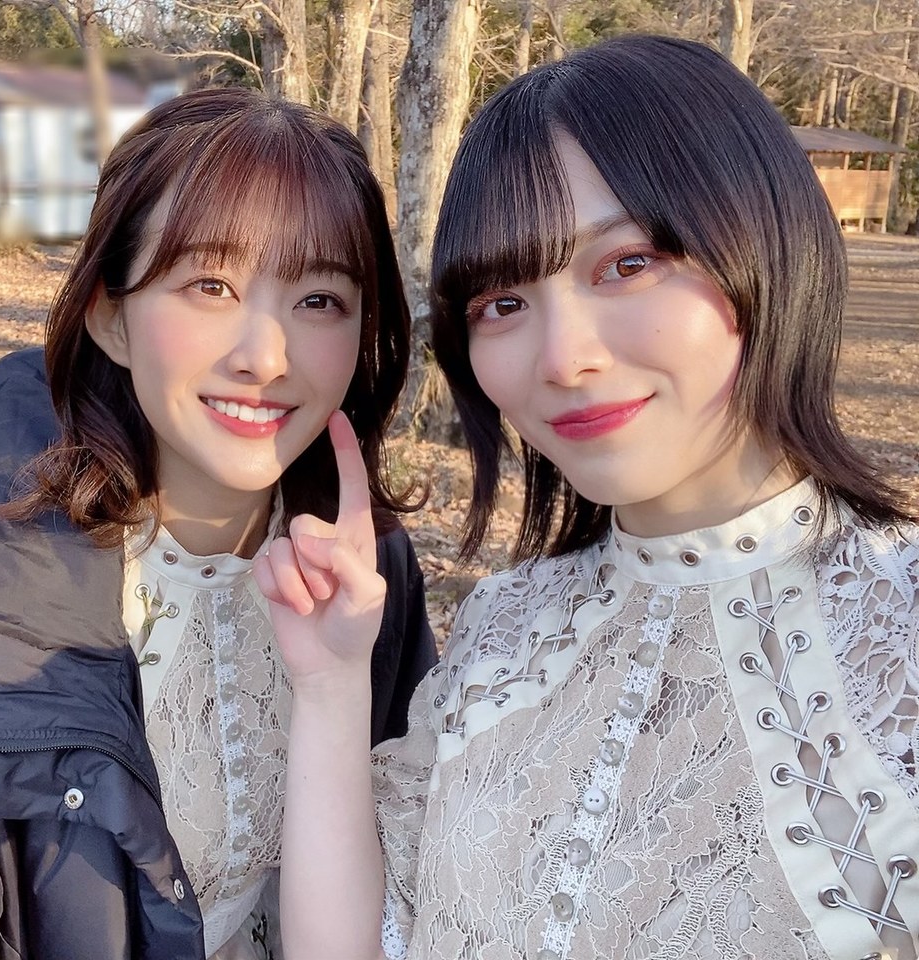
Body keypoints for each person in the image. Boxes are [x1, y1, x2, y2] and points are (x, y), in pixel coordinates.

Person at [259, 35, 919, 960]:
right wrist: (331, 687)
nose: (564, 359)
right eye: (502, 304)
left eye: (627, 264)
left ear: (767, 239)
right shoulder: (501, 632)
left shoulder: (899, 626)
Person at [0, 87, 436, 960]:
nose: (266, 356)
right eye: (210, 285)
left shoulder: (363, 575)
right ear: (111, 316)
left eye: (319, 298)